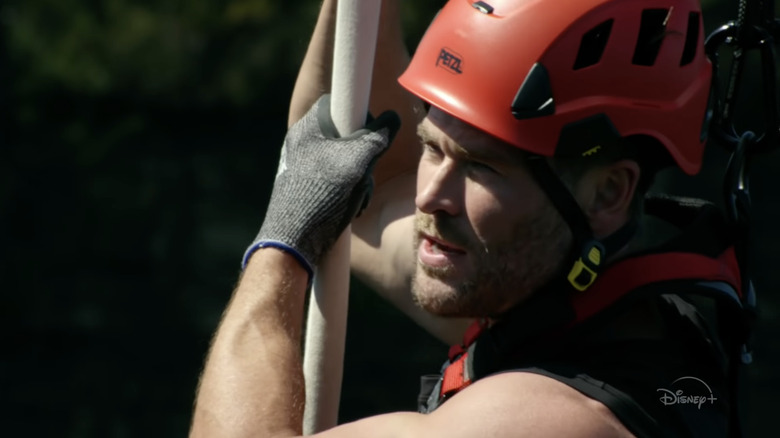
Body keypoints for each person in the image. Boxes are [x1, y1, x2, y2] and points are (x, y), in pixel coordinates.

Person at [190, 0, 751, 437]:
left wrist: (281, 243)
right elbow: (370, 179)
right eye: (432, 148)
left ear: (607, 193)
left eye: (481, 168)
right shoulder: (570, 308)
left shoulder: (558, 418)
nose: (429, 196)